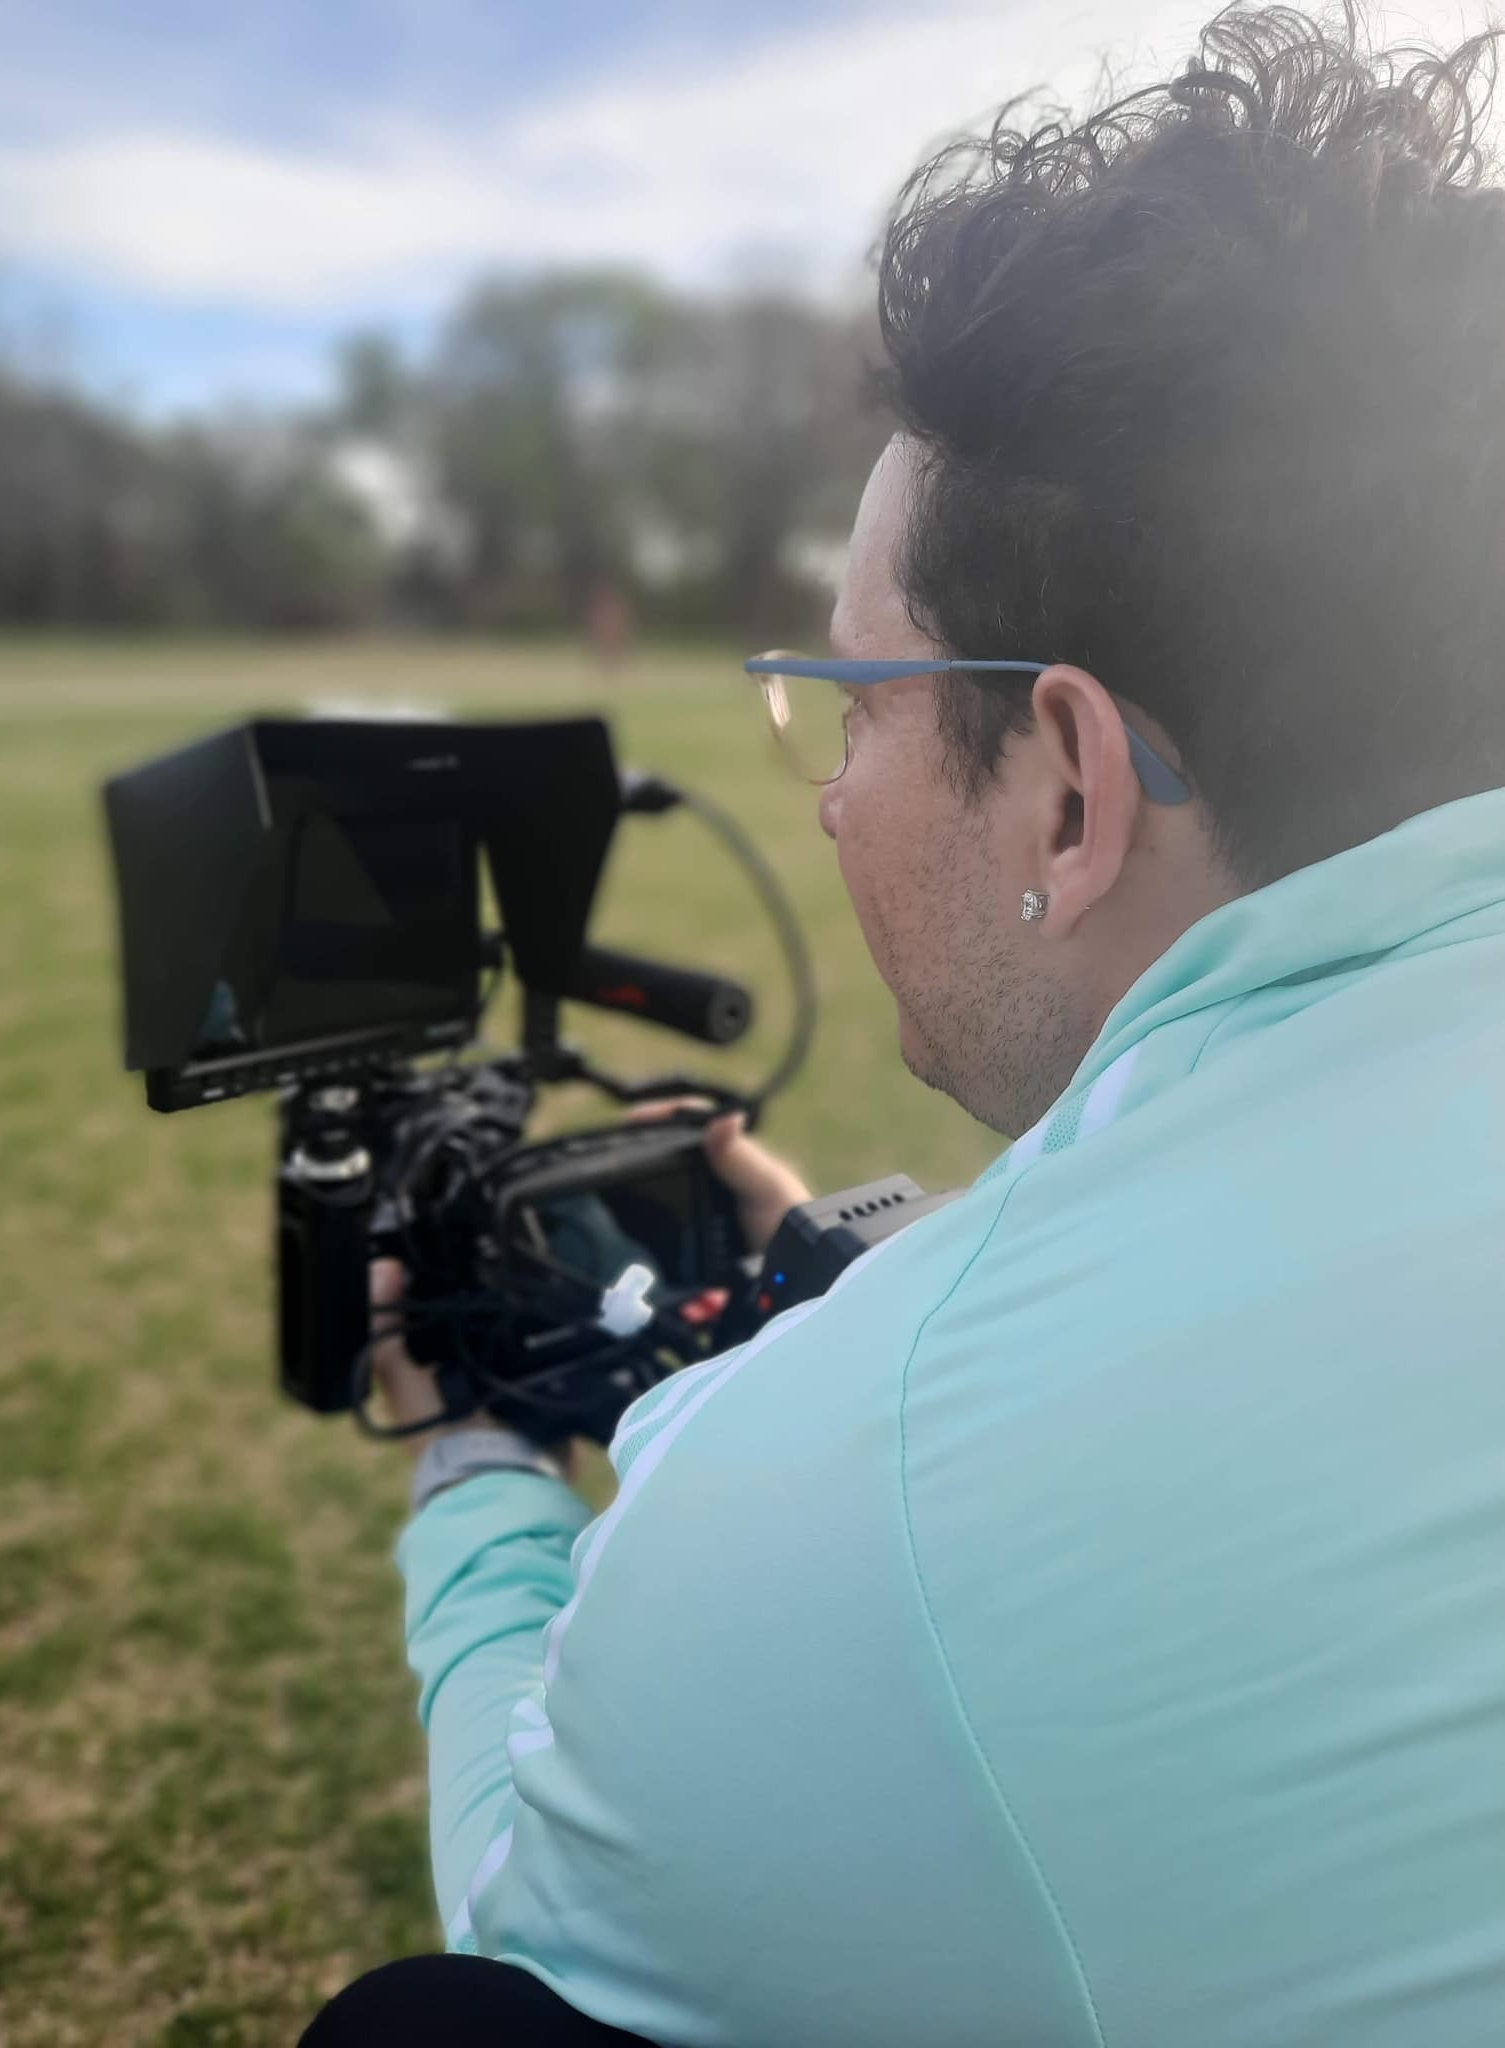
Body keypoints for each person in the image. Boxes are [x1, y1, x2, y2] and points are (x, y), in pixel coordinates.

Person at [318, 9, 1505, 2043]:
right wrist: (849, 1278)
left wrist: (475, 1470)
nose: (828, 793)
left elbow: (538, 1918)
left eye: (850, 703)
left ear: (1067, 786)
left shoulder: (831, 1502)